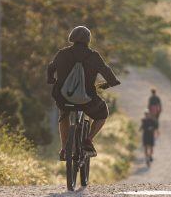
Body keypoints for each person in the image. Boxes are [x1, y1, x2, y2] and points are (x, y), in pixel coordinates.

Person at [47, 26, 120, 159]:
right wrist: (110, 83)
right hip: (88, 100)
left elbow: (51, 68)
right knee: (102, 114)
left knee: (64, 116)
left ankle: (64, 149)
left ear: (72, 38)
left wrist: (51, 79)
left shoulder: (62, 53)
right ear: (88, 40)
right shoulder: (93, 56)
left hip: (64, 99)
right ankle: (88, 139)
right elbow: (106, 71)